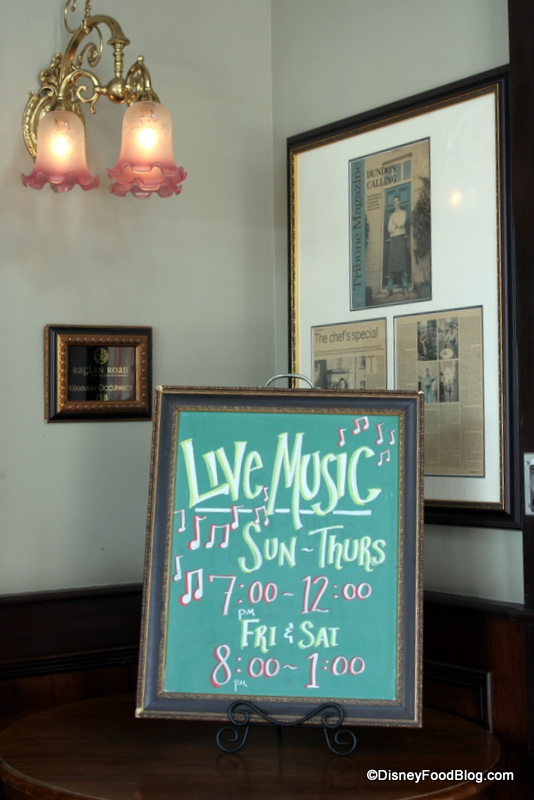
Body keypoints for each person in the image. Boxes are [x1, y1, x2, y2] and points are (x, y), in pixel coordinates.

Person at [385, 195, 409, 298]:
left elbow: (402, 223)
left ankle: (405, 289)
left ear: (399, 202)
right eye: (394, 202)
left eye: (397, 201)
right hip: (393, 240)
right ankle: (389, 290)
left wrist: (396, 224)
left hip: (400, 239)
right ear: (393, 204)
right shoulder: (392, 216)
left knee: (402, 265)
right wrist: (396, 225)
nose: (396, 203)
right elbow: (389, 229)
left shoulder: (403, 213)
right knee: (391, 267)